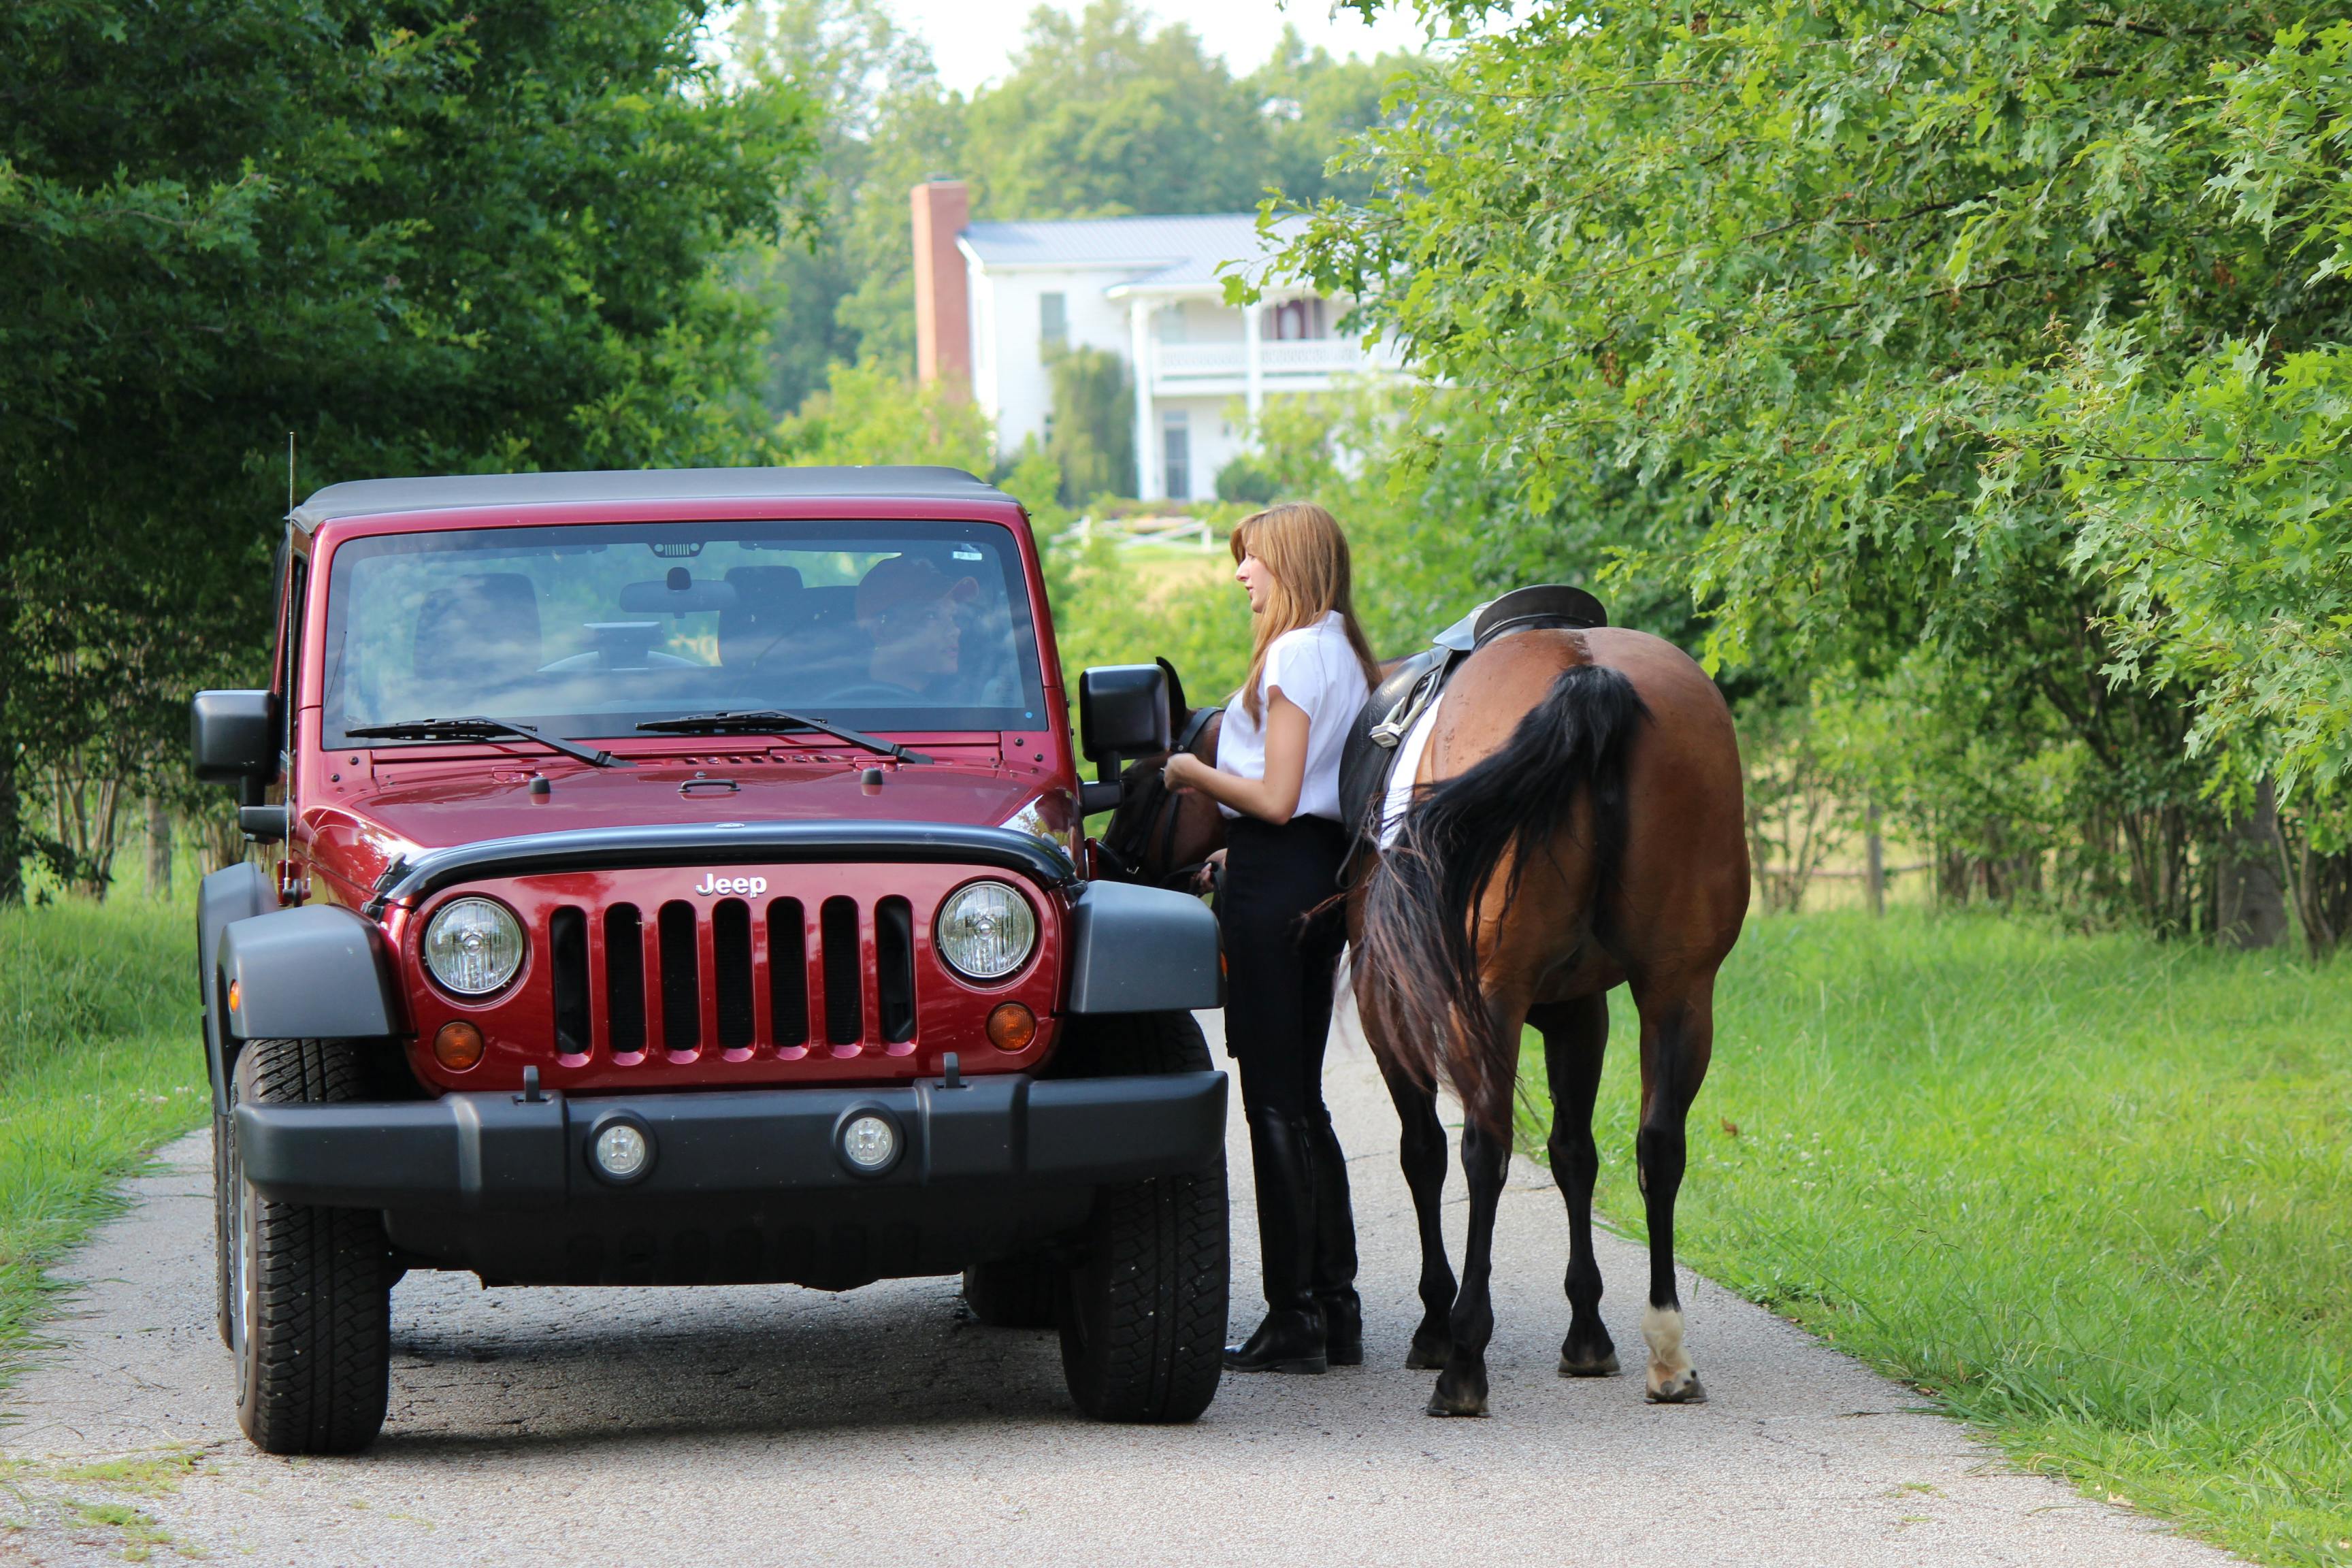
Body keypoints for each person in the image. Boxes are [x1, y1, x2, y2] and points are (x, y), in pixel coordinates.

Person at [1162, 502, 1379, 1374]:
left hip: (1274, 881)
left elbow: (1279, 795)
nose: (1240, 575)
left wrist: (1191, 773)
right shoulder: (1346, 655)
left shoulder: (1291, 654)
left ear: (1288, 561)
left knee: (1272, 1104)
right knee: (1306, 1100)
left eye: (1251, 560)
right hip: (1316, 879)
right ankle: (1337, 1307)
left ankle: (1292, 1316)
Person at [854, 555, 975, 695]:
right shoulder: (831, 705)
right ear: (880, 631)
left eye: (952, 616)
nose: (955, 631)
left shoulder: (975, 701)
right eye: (931, 616)